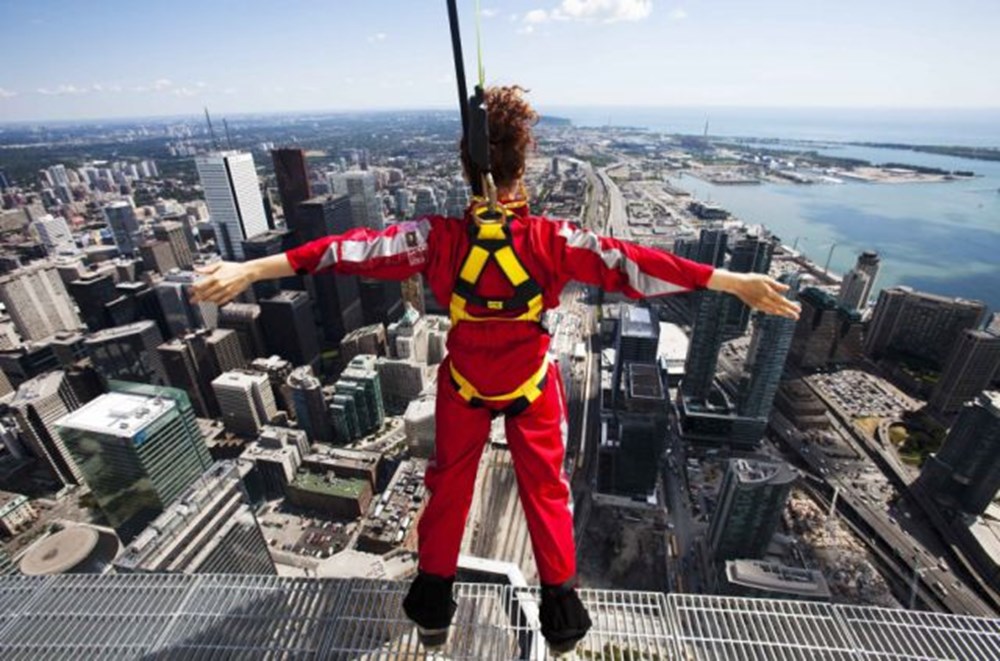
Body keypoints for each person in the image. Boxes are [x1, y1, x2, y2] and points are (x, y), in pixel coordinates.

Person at [190, 86, 800, 656]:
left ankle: (432, 607)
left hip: (464, 387)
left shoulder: (436, 240)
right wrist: (729, 281)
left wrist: (252, 269)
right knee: (547, 494)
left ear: (465, 171)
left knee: (448, 489)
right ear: (522, 169)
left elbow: (349, 249)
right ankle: (562, 619)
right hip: (531, 387)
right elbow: (633, 263)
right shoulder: (551, 239)